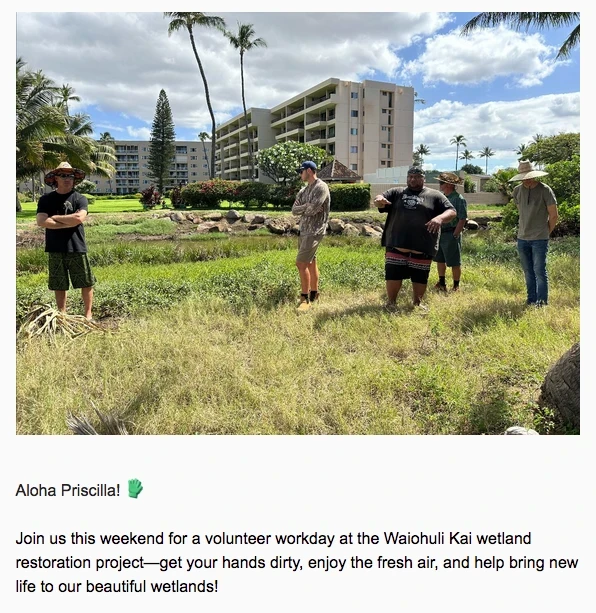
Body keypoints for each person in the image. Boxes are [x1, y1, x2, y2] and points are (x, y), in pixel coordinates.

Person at [374, 166, 456, 308]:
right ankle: (391, 303)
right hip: (397, 243)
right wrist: (379, 200)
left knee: (420, 276)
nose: (413, 179)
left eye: (417, 177)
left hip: (423, 246)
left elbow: (452, 211)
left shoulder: (435, 195)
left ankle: (417, 304)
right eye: (410, 177)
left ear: (423, 178)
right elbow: (379, 198)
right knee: (393, 274)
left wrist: (440, 219)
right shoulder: (396, 192)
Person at [36, 161, 96, 319]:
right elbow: (42, 221)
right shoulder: (46, 200)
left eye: (70, 175)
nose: (67, 178)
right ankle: (62, 314)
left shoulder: (80, 198)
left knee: (86, 281)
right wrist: (67, 222)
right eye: (63, 175)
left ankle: (88, 314)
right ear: (56, 178)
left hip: (77, 246)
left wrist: (54, 218)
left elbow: (78, 218)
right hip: (55, 247)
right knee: (59, 284)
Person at [509, 160, 558, 306]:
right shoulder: (517, 190)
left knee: (539, 271)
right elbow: (521, 212)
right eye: (524, 176)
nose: (527, 179)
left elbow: (554, 215)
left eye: (529, 175)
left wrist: (545, 232)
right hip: (522, 237)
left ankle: (542, 302)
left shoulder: (545, 190)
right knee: (528, 271)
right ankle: (531, 300)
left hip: (539, 238)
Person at [291, 161, 331, 312]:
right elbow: (294, 210)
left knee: (301, 264)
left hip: (314, 231)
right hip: (303, 230)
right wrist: (306, 206)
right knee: (310, 263)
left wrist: (308, 207)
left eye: (301, 171)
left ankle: (304, 298)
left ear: (309, 171)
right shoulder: (303, 190)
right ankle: (314, 293)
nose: (299, 174)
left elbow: (313, 210)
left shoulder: (321, 187)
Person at [433, 172, 468, 292]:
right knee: (439, 259)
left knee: (454, 261)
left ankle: (456, 286)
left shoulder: (458, 199)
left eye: (441, 183)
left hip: (451, 233)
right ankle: (441, 283)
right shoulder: (442, 197)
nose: (440, 185)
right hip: (440, 233)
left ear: (448, 185)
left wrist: (455, 234)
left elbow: (462, 218)